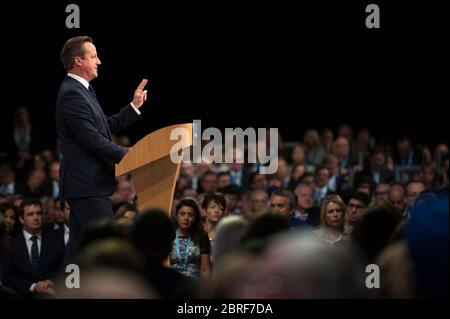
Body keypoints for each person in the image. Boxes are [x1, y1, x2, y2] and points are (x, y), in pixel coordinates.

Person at [55, 36, 148, 263]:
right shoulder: (71, 94)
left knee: (77, 250)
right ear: (78, 60)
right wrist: (132, 155)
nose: (99, 61)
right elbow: (93, 141)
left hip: (87, 185)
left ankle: (69, 290)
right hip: (87, 185)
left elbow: (103, 127)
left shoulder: (82, 90)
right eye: (94, 56)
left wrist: (133, 108)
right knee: (110, 243)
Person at [1, 198, 65, 297]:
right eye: (30, 214)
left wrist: (50, 282)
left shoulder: (56, 239)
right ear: (21, 219)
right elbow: (8, 277)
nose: (36, 218)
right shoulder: (12, 243)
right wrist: (34, 286)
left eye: (38, 213)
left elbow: (63, 268)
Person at [170, 199, 211, 278]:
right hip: (172, 284)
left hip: (195, 284)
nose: (186, 218)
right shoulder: (169, 236)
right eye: (182, 214)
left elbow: (205, 269)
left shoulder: (202, 236)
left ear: (195, 218)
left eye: (190, 215)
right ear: (176, 216)